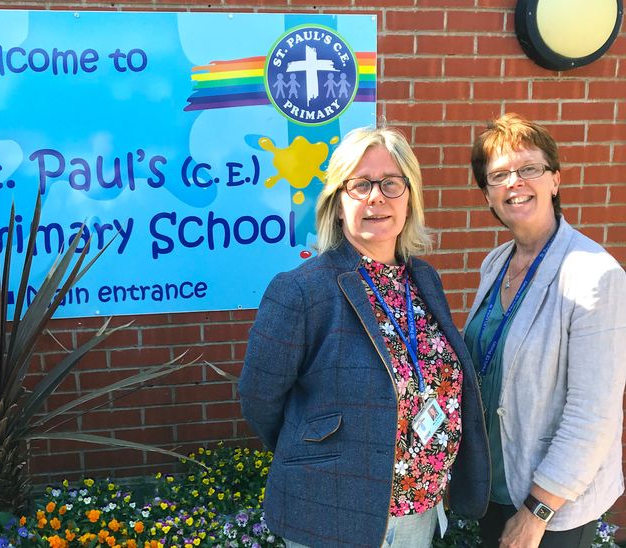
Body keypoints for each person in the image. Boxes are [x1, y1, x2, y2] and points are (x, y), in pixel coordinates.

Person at [239, 126, 489, 548]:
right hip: (335, 512)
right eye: (360, 185)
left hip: (421, 508)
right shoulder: (302, 290)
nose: (377, 197)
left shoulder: (424, 279)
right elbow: (259, 398)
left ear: (410, 199)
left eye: (391, 183)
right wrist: (317, 450)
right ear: (338, 203)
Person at [464, 113, 626, 548]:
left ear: (554, 180)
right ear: (487, 196)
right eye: (499, 175)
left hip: (550, 509)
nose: (515, 183)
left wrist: (537, 511)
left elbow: (594, 415)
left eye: (529, 169)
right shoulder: (495, 264)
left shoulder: (595, 274)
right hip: (496, 487)